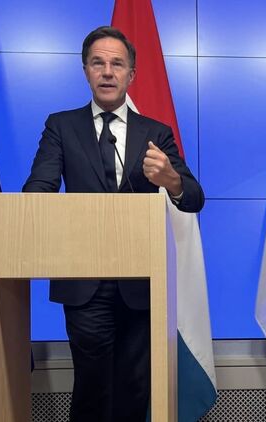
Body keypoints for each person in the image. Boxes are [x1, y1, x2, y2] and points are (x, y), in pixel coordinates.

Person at [22, 26, 204, 421]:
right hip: (82, 277)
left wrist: (170, 179)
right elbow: (39, 187)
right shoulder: (61, 126)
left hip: (141, 279)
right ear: (85, 71)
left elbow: (193, 197)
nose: (107, 72)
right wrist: (31, 208)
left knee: (134, 386)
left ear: (131, 75)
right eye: (98, 63)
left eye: (117, 64)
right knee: (92, 384)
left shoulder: (155, 132)